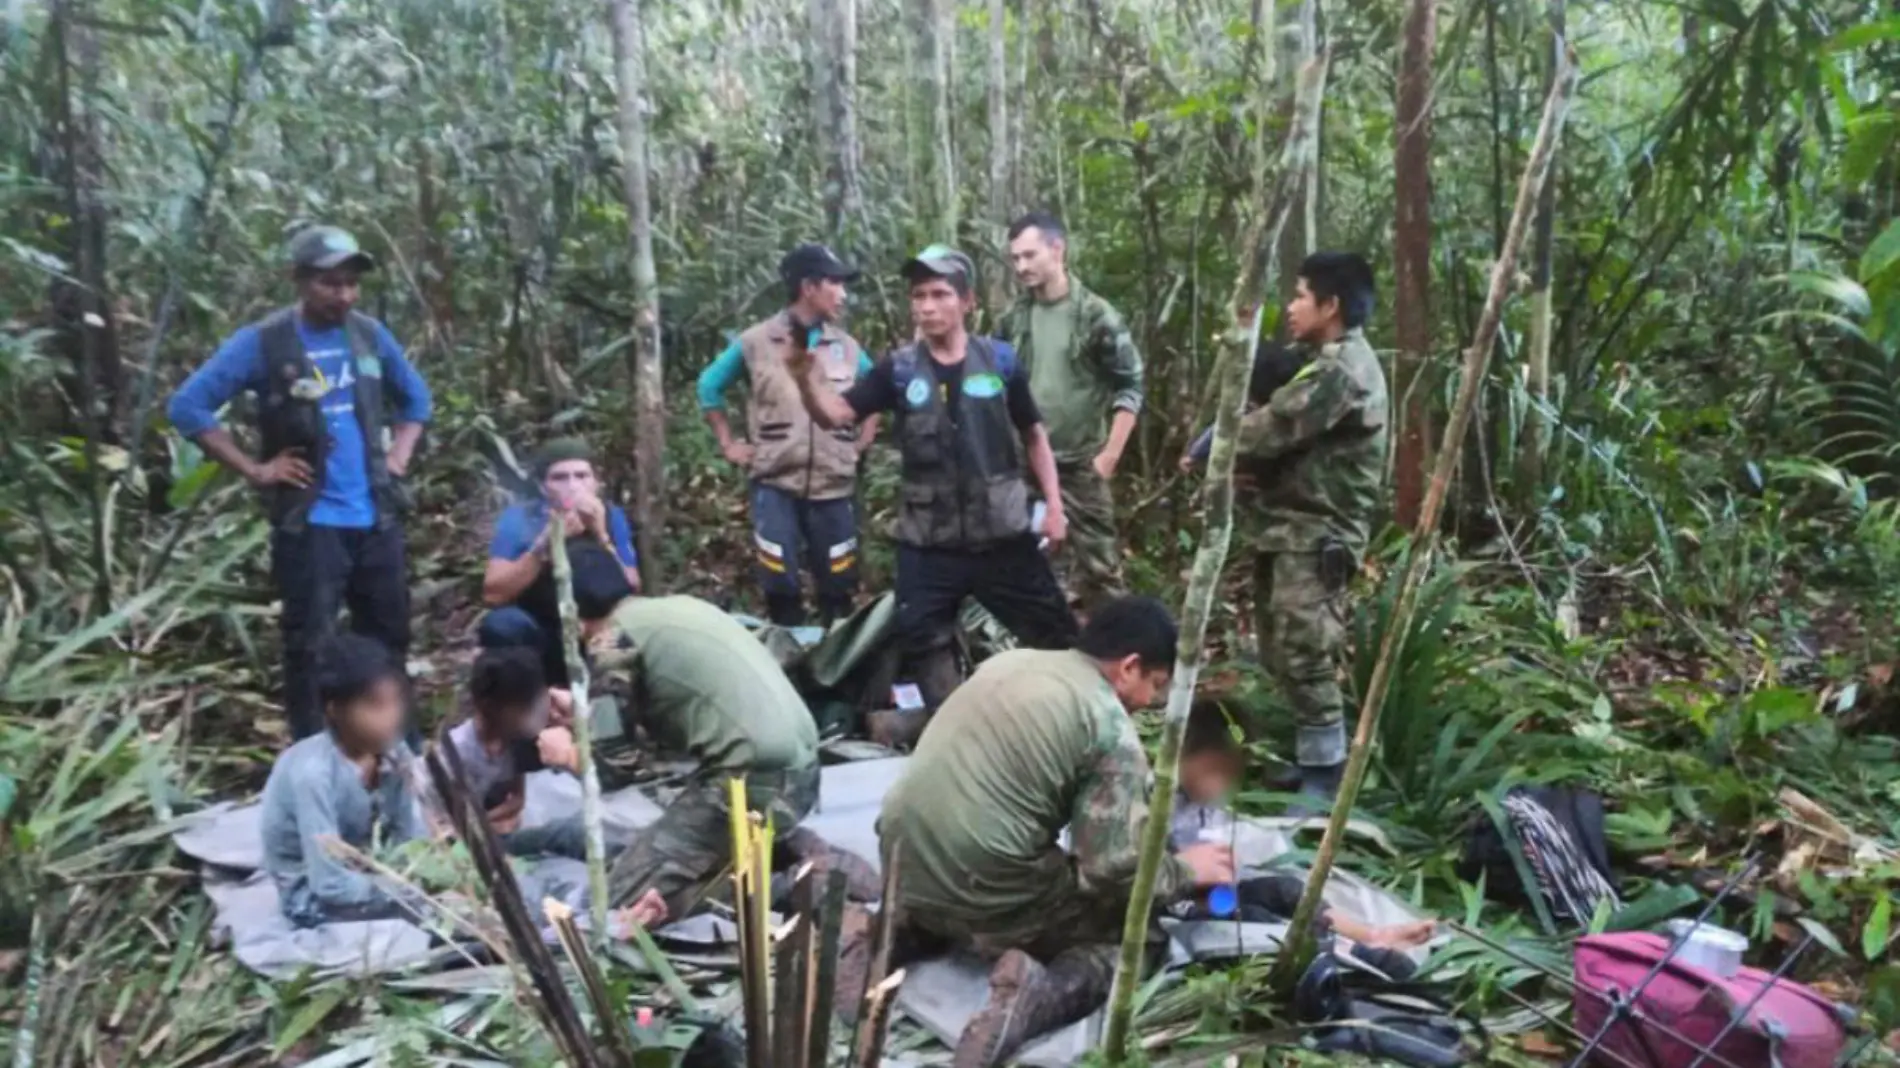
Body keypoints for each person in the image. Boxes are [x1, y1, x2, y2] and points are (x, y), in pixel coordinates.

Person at [863, 597, 1237, 1067]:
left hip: (899, 859)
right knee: (1134, 938)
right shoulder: (1107, 726)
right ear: (1130, 666)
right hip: (983, 883)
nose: (1150, 703)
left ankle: (900, 931)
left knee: (983, 863)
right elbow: (1111, 870)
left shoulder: (1012, 662)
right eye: (1155, 686)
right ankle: (1034, 998)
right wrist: (1184, 871)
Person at [787, 245, 1078, 737]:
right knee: (921, 633)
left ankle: (1072, 722)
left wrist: (1054, 506)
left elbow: (1033, 434)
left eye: (939, 294)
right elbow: (837, 415)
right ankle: (956, 732)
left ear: (967, 302)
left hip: (1001, 533)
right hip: (929, 539)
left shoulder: (1000, 362)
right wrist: (805, 379)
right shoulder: (898, 370)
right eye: (918, 296)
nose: (926, 306)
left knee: (1055, 632)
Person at [167, 225, 432, 740]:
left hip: (375, 515)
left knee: (389, 636)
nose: (345, 295)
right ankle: (316, 753)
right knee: (310, 643)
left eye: (351, 283)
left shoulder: (369, 336)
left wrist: (398, 455)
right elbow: (188, 406)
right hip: (311, 523)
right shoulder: (264, 343)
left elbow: (416, 400)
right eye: (330, 284)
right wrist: (255, 468)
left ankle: (402, 749)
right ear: (299, 280)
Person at [563, 553, 878, 919]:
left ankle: (791, 887)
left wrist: (569, 754)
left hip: (753, 781)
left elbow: (614, 769)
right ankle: (788, 848)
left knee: (618, 899)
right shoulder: (675, 608)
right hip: (802, 771)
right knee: (674, 845)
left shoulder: (612, 640)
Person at [1234, 252, 1389, 811]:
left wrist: (1214, 444)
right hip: (1290, 525)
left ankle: (1327, 774)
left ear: (1332, 306)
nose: (1291, 307)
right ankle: (1310, 758)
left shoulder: (1341, 371)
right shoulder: (1319, 359)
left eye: (1301, 296)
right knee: (1280, 646)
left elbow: (1271, 429)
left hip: (1319, 532)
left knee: (1306, 649)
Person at [697, 244, 879, 626]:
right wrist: (729, 443)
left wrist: (861, 442)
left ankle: (837, 665)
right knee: (779, 582)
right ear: (809, 287)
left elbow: (876, 392)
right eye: (836, 284)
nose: (843, 294)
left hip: (834, 486)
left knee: (839, 582)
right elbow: (709, 387)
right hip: (775, 483)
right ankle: (786, 660)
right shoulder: (756, 342)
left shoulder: (846, 347)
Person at [1169, 700, 1435, 955]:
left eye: (1230, 774)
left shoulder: (1204, 807)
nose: (1221, 784)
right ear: (1183, 754)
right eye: (1214, 770)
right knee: (1256, 919)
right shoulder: (1157, 802)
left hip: (1211, 893)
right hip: (1173, 903)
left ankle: (1371, 936)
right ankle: (1348, 952)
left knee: (1287, 890)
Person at [997, 212, 1146, 616]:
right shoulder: (1012, 320)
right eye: (1015, 259)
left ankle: (1118, 662)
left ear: (1057, 249)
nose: (1022, 267)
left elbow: (1130, 384)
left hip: (1081, 465)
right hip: (1026, 467)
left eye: (1029, 255)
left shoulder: (1097, 316)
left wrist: (1109, 457)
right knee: (1032, 570)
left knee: (1101, 572)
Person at [260, 633, 427, 927]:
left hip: (371, 869)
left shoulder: (394, 751)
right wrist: (403, 891)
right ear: (335, 710)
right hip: (313, 894)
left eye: (395, 702)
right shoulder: (314, 774)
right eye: (375, 706)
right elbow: (328, 883)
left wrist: (419, 872)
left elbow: (409, 835)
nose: (392, 716)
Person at [481, 437, 640, 683]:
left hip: (600, 629)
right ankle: (527, 703)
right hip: (543, 627)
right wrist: (543, 547)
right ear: (544, 487)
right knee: (502, 625)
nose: (572, 485)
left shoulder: (610, 515)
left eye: (581, 476)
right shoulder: (521, 519)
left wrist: (601, 536)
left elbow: (632, 585)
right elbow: (494, 593)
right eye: (560, 477)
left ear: (595, 483)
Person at [422, 645, 587, 859]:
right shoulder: (455, 754)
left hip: (493, 834)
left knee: (574, 832)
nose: (531, 715)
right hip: (469, 851)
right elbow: (441, 829)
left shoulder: (515, 740)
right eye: (522, 708)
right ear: (489, 706)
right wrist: (484, 829)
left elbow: (517, 801)